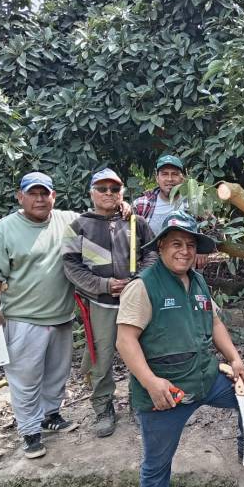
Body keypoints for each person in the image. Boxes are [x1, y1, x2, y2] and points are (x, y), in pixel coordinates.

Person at [115, 210, 244, 487]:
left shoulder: (197, 281)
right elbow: (125, 341)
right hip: (166, 392)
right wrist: (151, 383)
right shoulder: (143, 287)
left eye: (190, 245)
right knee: (157, 463)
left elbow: (215, 324)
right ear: (162, 246)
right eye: (176, 244)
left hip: (204, 376)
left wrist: (235, 358)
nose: (184, 251)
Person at [0, 172, 80, 459]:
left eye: (44, 193)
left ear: (53, 196)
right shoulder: (6, 229)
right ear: (20, 196)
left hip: (61, 316)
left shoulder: (66, 221)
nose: (39, 199)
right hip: (24, 318)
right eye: (33, 193)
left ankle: (51, 415)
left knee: (57, 373)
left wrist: (122, 208)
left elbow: (98, 221)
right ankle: (29, 431)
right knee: (25, 378)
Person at [62, 168, 156, 438]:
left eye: (114, 189)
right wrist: (103, 285)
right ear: (91, 192)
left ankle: (141, 404)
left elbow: (151, 254)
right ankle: (103, 408)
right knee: (101, 358)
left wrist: (137, 281)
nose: (108, 194)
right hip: (100, 304)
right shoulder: (80, 225)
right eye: (102, 189)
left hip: (135, 303)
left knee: (141, 354)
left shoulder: (136, 222)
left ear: (122, 193)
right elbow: (71, 265)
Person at [134, 154, 207, 269]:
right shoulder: (141, 204)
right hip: (150, 270)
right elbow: (128, 236)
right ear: (157, 178)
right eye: (164, 174)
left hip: (184, 268)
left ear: (182, 178)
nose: (169, 179)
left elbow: (213, 229)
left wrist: (203, 250)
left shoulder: (193, 202)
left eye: (174, 174)